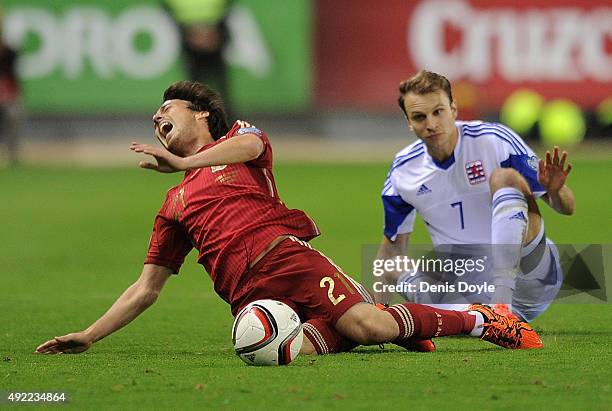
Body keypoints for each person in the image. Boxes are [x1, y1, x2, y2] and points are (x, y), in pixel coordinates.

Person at [36, 81, 543, 357]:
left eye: (166, 109)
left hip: (289, 261)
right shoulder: (173, 204)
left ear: (201, 115)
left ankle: (482, 320)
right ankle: (397, 326)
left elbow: (253, 143)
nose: (156, 119)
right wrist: (89, 334)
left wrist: (187, 162)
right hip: (249, 297)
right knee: (277, 350)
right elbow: (145, 288)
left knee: (367, 326)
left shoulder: (237, 143)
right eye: (154, 119)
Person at [376, 70, 575, 322]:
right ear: (409, 122)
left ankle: (500, 308)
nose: (431, 124)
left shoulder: (493, 141)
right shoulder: (403, 171)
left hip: (530, 279)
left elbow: (568, 208)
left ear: (454, 109)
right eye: (419, 117)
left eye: (438, 112)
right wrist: (376, 313)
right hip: (469, 288)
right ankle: (478, 319)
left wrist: (556, 191)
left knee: (505, 178)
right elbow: (391, 250)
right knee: (392, 265)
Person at [0, 10, 20, 166]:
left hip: (8, 94)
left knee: (13, 116)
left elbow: (12, 74)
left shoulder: (10, 52)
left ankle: (12, 154)